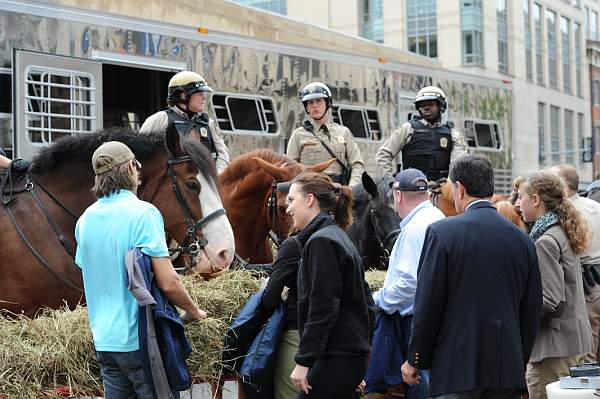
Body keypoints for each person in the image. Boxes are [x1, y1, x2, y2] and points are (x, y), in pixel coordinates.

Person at [402, 154, 543, 399]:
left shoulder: (442, 233)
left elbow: (428, 304)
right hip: (505, 371)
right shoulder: (522, 240)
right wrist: (518, 360)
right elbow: (531, 311)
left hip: (455, 370)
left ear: (459, 189)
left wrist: (415, 359)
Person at [75, 141, 207, 398]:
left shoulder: (85, 220)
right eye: (137, 165)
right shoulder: (144, 213)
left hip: (104, 342)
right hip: (142, 342)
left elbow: (91, 273)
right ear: (131, 168)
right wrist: (194, 311)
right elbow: (169, 282)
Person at [286, 172, 371, 398]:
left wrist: (304, 361)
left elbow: (323, 307)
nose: (288, 209)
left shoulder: (322, 241)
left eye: (292, 200)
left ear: (310, 200)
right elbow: (367, 301)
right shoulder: (338, 237)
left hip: (335, 356)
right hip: (347, 358)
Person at [365, 168, 445, 399]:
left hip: (414, 324)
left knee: (421, 388)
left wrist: (378, 299)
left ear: (398, 196)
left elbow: (410, 283)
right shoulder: (438, 218)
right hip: (436, 319)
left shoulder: (412, 230)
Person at [517, 170, 592, 399]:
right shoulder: (561, 231)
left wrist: (516, 312)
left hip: (553, 349)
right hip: (574, 340)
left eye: (521, 197)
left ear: (536, 199)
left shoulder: (546, 241)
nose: (518, 203)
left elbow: (550, 300)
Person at [552, 164, 600, 362]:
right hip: (593, 283)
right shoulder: (595, 207)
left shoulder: (565, 213)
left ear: (562, 186)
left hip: (585, 285)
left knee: (586, 355)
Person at [139, 71, 230, 173]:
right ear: (183, 95)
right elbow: (141, 152)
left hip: (205, 183)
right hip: (170, 183)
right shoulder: (159, 119)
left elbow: (223, 155)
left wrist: (217, 178)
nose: (204, 98)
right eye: (200, 93)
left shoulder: (209, 123)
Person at [375, 85, 468, 181]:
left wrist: (448, 188)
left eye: (430, 104)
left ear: (440, 106)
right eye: (422, 105)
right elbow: (383, 154)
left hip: (441, 190)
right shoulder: (407, 129)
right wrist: (388, 182)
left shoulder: (453, 135)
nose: (426, 108)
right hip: (411, 189)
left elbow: (458, 167)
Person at [286, 82, 365, 187]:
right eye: (310, 102)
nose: (314, 105)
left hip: (337, 191)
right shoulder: (298, 134)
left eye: (319, 101)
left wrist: (352, 188)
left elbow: (357, 164)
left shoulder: (343, 132)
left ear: (327, 103)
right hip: (310, 191)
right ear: (307, 108)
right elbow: (290, 168)